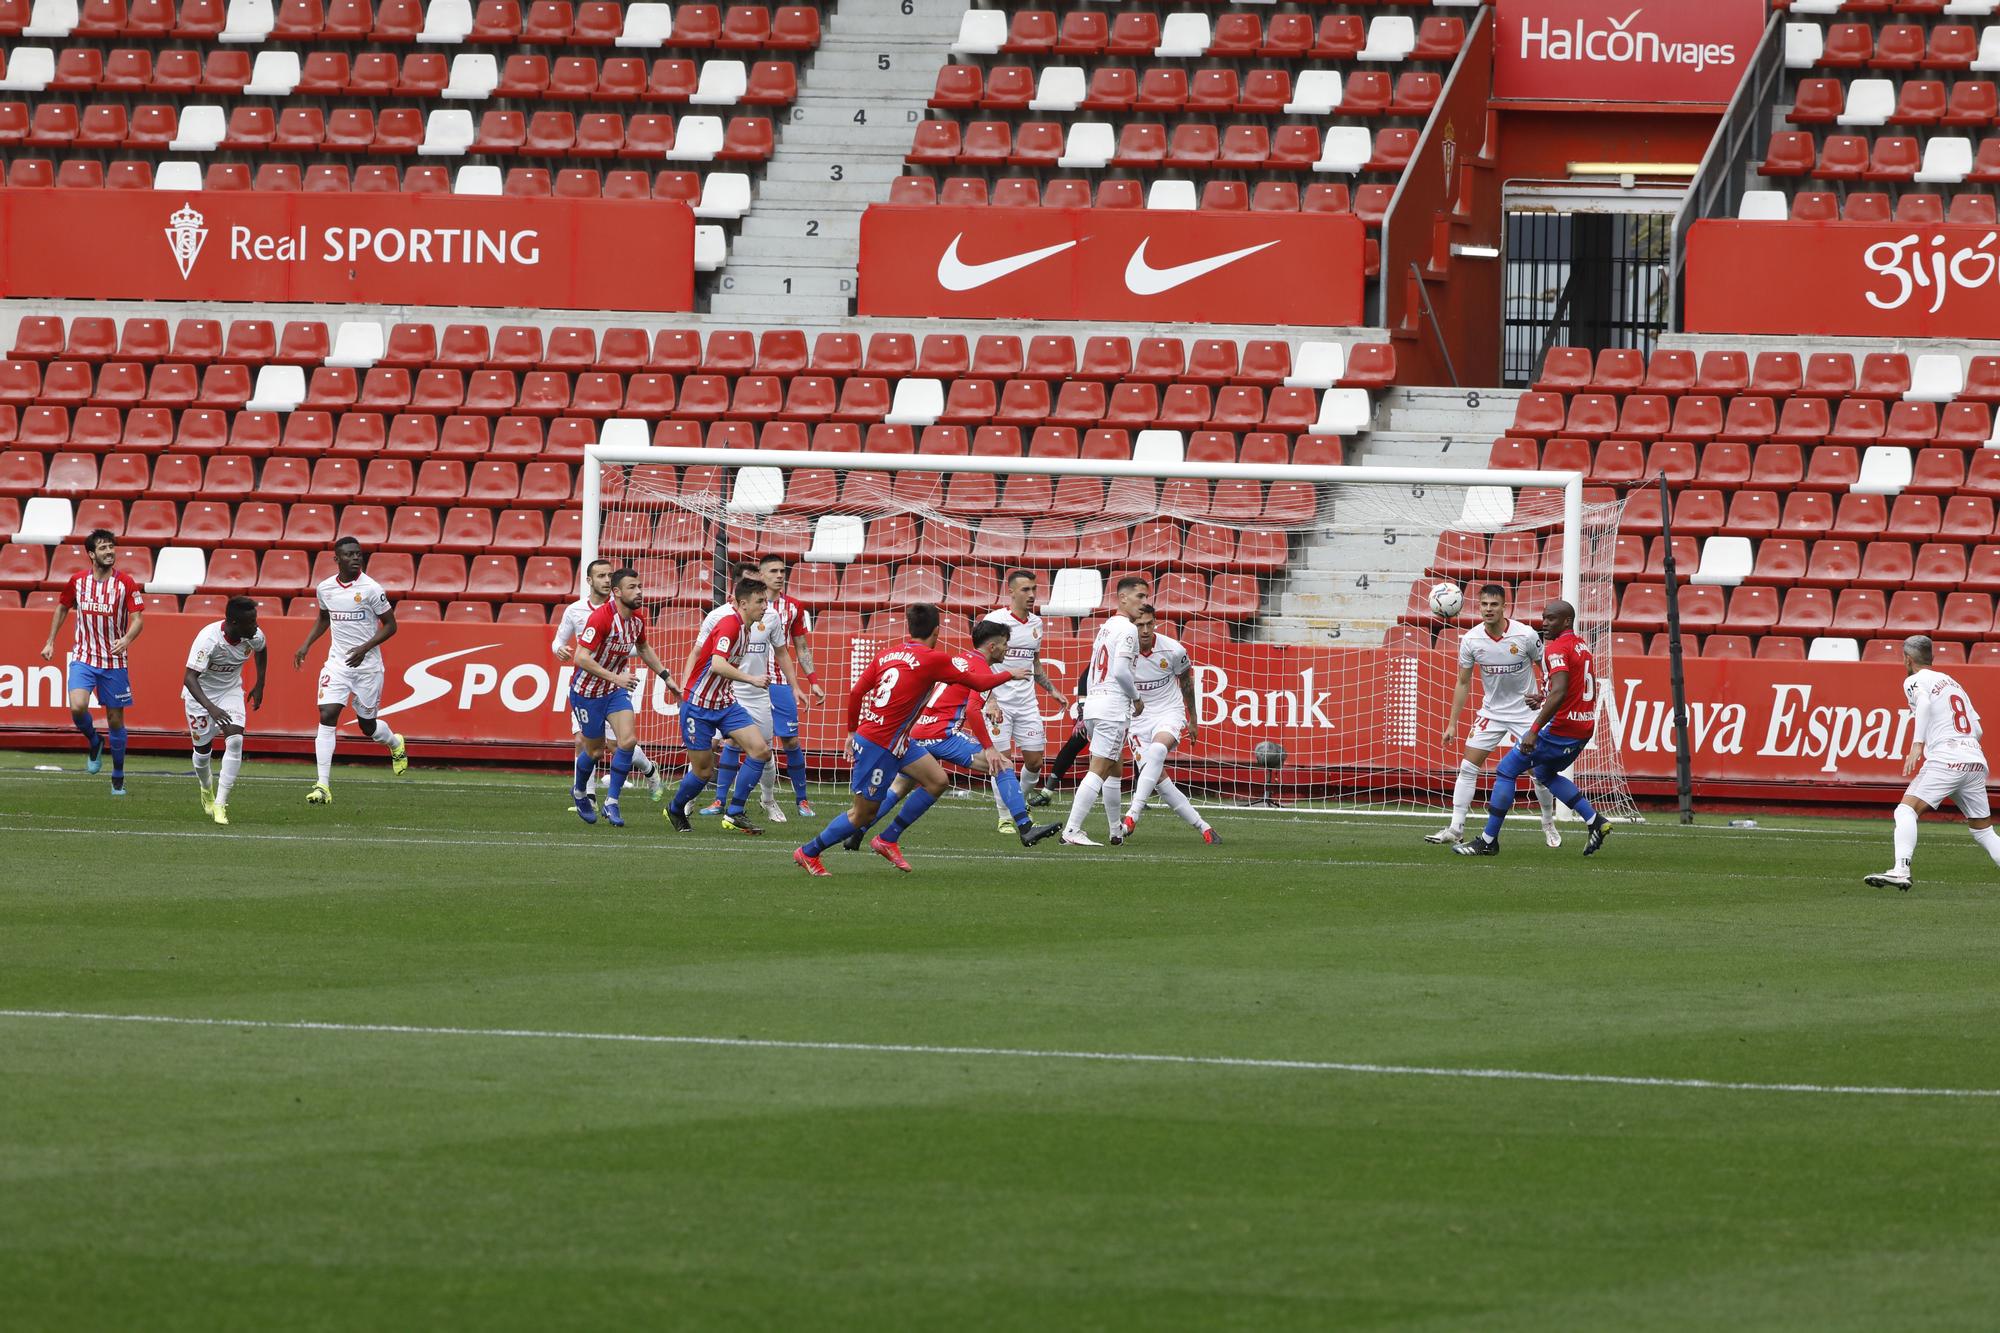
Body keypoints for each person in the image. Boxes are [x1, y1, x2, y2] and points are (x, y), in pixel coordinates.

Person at [793, 603, 1027, 876]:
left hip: (895, 739)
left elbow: (856, 692)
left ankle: (888, 839)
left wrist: (850, 732)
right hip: (879, 745)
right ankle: (808, 852)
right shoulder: (934, 659)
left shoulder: (887, 654)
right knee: (862, 814)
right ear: (937, 630)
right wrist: (1012, 673)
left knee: (937, 780)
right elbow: (979, 683)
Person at [851, 620, 1061, 855]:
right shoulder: (981, 668)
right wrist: (989, 748)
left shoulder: (958, 660)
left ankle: (857, 832)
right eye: (1004, 644)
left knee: (900, 787)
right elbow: (972, 710)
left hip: (919, 731)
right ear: (992, 646)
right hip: (942, 735)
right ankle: (1025, 826)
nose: (1007, 649)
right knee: (1002, 765)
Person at [1454, 600, 1612, 857]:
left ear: (1566, 621)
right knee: (1546, 775)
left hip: (1560, 728)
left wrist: (1534, 729)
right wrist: (1542, 696)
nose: (1544, 623)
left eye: (1551, 619)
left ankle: (1488, 840)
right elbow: (1569, 686)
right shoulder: (1582, 645)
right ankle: (1595, 821)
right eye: (1544, 617)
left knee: (1506, 770)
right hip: (1583, 726)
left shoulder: (1556, 649)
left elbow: (1560, 690)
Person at [1426, 583, 1562, 849]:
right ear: (1478, 606)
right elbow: (1463, 683)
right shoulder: (1472, 640)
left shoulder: (1525, 635)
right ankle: (1456, 828)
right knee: (1468, 766)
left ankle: (1548, 823)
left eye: (1494, 604)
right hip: (1492, 712)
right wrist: (1452, 723)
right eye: (1484, 604)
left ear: (1504, 607)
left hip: (1525, 712)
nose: (1489, 609)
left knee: (1539, 772)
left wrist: (1544, 700)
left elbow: (1547, 671)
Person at [1865, 634, 2000, 890]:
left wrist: (1918, 744)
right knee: (1983, 831)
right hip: (1973, 759)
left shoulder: (1914, 680)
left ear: (1907, 659)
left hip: (1946, 758)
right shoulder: (1954, 684)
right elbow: (1978, 729)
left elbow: (1925, 702)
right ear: (1932, 658)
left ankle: (1900, 869)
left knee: (1905, 810)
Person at [294, 536, 407, 804]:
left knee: (367, 726)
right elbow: (324, 617)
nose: (356, 558)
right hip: (338, 664)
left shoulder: (371, 589)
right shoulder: (325, 588)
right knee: (327, 713)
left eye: (359, 554)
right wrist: (306, 645)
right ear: (337, 559)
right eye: (350, 555)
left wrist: (365, 648)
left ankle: (394, 743)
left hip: (367, 667)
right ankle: (322, 785)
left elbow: (391, 626)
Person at [701, 560, 811, 824]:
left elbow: (784, 651)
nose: (764, 605)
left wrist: (798, 685)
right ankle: (708, 801)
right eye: (758, 599)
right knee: (722, 743)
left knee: (765, 749)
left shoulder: (773, 616)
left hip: (762, 690)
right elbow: (701, 654)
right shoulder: (718, 617)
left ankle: (769, 800)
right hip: (726, 690)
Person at [569, 567, 681, 828]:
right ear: (617, 592)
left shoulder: (638, 619)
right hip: (587, 692)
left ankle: (612, 802)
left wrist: (666, 677)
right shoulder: (600, 619)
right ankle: (579, 792)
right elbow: (580, 657)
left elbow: (643, 648)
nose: (639, 591)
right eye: (632, 587)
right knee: (595, 751)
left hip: (614, 691)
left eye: (639, 586)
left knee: (627, 742)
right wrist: (615, 677)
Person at [665, 576, 775, 835]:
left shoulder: (748, 629)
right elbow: (717, 664)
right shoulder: (730, 625)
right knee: (703, 772)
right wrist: (752, 679)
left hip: (725, 704)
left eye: (766, 601)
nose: (766, 607)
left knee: (760, 751)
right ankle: (676, 807)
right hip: (699, 706)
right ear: (743, 603)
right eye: (760, 601)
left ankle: (735, 812)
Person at [40, 529, 144, 794]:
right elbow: (63, 606)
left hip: (114, 662)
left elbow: (138, 620)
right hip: (84, 657)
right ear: (91, 554)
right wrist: (51, 640)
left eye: (111, 547)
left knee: (115, 721)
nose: (109, 552)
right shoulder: (77, 582)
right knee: (77, 707)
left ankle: (118, 774)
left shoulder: (125, 583)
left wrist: (127, 640)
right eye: (103, 548)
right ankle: (95, 741)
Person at [553, 558, 665, 807]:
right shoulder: (576, 611)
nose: (605, 579)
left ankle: (645, 771)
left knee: (619, 744)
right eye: (600, 575)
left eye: (609, 575)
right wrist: (559, 649)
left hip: (614, 685)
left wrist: (660, 673)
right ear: (589, 581)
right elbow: (559, 642)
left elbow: (636, 646)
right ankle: (587, 796)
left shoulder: (628, 613)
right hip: (585, 687)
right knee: (585, 743)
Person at [1117, 605, 1219, 845]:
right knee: (1160, 782)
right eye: (1139, 625)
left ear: (1156, 624)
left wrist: (1193, 719)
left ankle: (1132, 814)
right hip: (1137, 717)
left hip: (1168, 712)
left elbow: (1187, 683)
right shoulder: (1122, 650)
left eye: (1148, 624)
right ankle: (1204, 827)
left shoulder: (1174, 650)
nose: (1144, 630)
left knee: (1158, 749)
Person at [1062, 576, 1149, 846]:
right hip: (1112, 708)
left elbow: (1092, 670)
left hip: (1095, 705)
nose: (1144, 603)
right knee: (1099, 769)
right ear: (1123, 598)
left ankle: (1115, 830)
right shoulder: (1128, 630)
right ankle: (1072, 829)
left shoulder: (1106, 627)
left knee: (1113, 767)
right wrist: (1135, 698)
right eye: (1140, 597)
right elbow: (1122, 671)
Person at [981, 569, 1066, 830]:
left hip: (1027, 702)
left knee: (1035, 761)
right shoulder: (994, 621)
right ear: (1011, 592)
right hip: (999, 703)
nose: (1031, 595)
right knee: (1002, 762)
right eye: (1025, 590)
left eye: (1034, 589)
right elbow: (980, 662)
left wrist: (1050, 688)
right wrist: (990, 700)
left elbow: (1034, 662)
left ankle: (1018, 800)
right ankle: (1005, 816)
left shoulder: (1036, 624)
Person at [182, 596, 265, 825]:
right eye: (251, 622)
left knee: (236, 740)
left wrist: (260, 684)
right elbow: (189, 678)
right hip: (200, 697)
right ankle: (206, 789)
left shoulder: (254, 635)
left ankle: (220, 803)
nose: (256, 626)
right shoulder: (208, 640)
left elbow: (262, 649)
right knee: (202, 754)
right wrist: (211, 708)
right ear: (235, 623)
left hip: (230, 692)